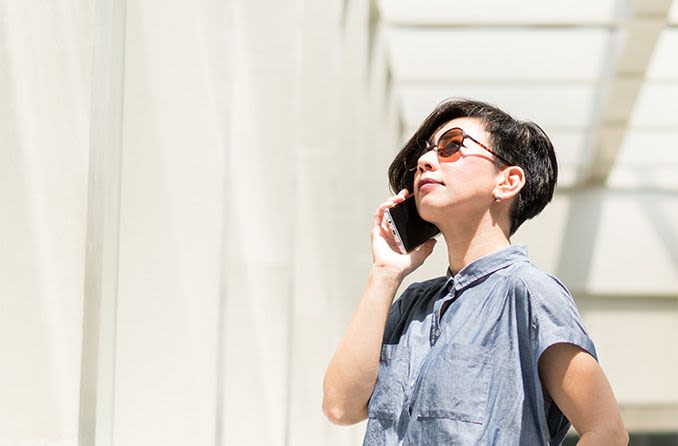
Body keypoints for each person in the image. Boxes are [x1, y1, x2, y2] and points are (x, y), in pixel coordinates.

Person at [322, 98, 628, 445]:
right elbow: (340, 406)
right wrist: (385, 274)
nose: (424, 162)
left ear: (507, 181)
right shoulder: (413, 304)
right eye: (425, 154)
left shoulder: (527, 292)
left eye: (452, 146)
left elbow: (606, 432)